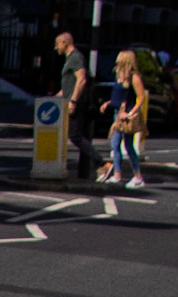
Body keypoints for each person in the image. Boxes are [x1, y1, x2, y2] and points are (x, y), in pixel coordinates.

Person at [56, 29, 99, 179]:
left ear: (64, 42)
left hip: (77, 102)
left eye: (57, 44)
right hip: (70, 100)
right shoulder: (71, 59)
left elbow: (81, 79)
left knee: (75, 135)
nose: (56, 47)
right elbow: (70, 84)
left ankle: (101, 163)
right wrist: (54, 98)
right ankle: (99, 164)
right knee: (74, 135)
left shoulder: (75, 58)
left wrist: (73, 101)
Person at [105, 48, 149, 188]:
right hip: (118, 112)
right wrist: (108, 104)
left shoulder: (133, 76)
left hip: (126, 115)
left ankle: (137, 176)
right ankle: (119, 175)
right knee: (116, 144)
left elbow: (141, 97)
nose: (116, 61)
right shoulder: (119, 75)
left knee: (125, 145)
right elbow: (118, 96)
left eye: (119, 59)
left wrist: (130, 113)